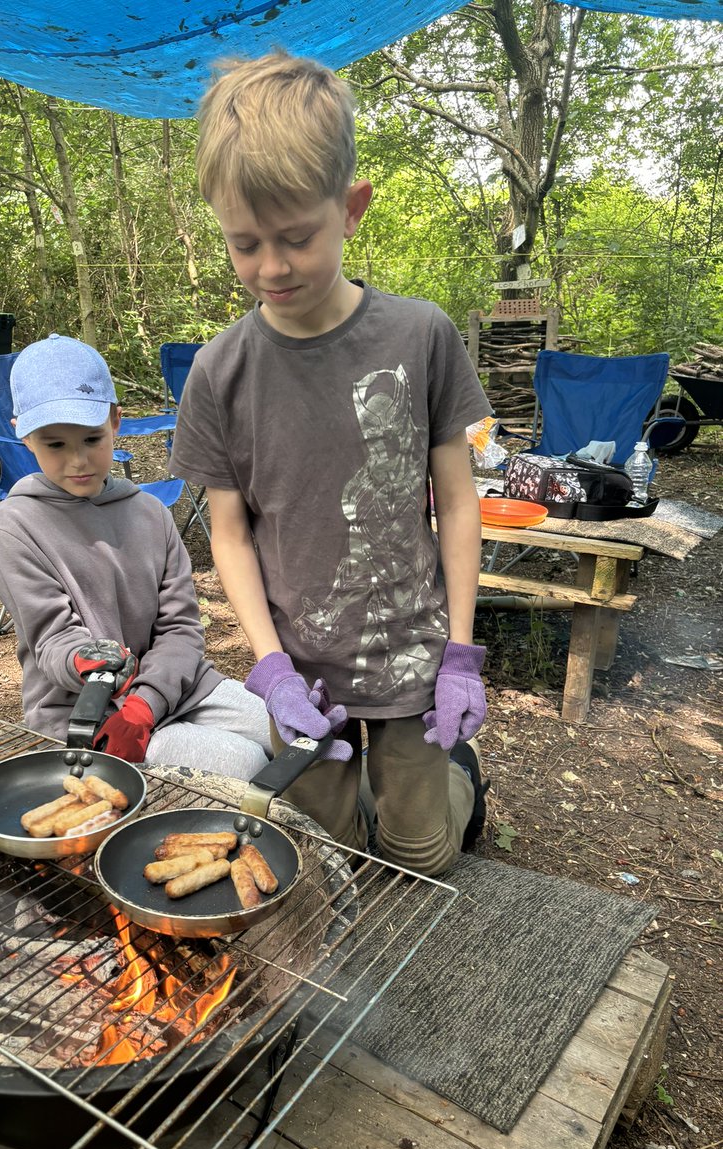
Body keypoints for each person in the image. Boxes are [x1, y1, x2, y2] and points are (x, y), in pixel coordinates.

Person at [169, 52, 492, 875]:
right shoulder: (220, 372)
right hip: (301, 676)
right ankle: (367, 797)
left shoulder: (421, 336)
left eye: (296, 238)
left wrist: (460, 653)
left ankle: (457, 781)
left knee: (420, 857)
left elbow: (457, 503)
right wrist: (269, 667)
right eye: (245, 243)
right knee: (323, 859)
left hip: (413, 656)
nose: (271, 267)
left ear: (350, 210)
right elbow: (229, 534)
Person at [0, 333, 273, 781]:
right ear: (23, 433)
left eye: (91, 438)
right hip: (89, 712)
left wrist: (146, 702)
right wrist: (86, 662)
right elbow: (53, 641)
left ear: (115, 421)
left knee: (290, 734)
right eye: (55, 444)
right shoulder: (13, 529)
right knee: (245, 763)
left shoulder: (150, 513)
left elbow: (181, 628)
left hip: (178, 688)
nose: (78, 460)